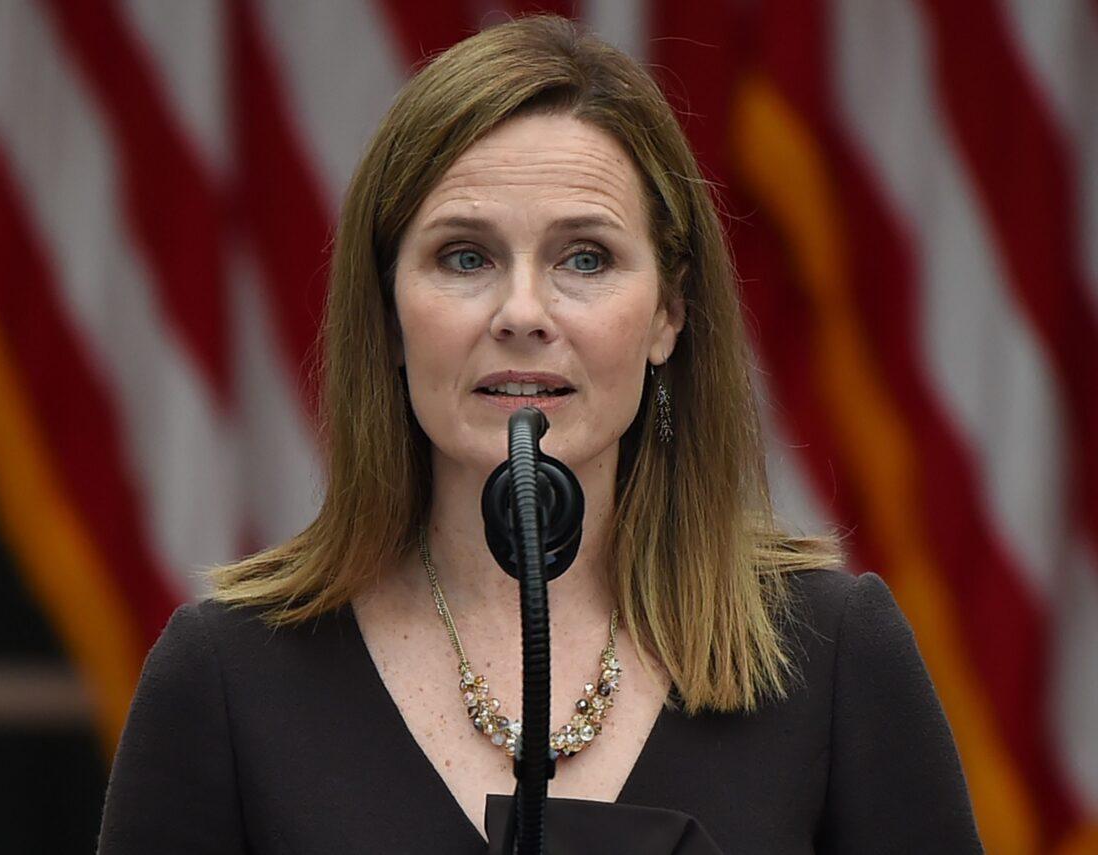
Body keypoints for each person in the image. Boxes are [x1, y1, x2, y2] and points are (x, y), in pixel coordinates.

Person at [96, 14, 981, 854]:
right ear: (389, 311)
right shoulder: (226, 679)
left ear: (669, 312)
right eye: (465, 256)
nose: (523, 312)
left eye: (585, 258)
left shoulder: (832, 660)